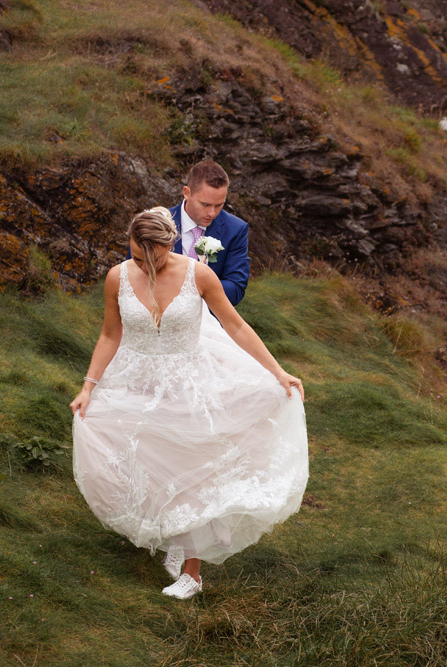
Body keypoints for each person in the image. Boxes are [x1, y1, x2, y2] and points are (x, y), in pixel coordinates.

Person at [70, 207, 308, 600]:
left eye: (156, 256)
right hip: (136, 382)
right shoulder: (117, 277)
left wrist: (278, 372)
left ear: (171, 244)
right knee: (150, 463)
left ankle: (193, 573)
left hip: (189, 383)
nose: (146, 264)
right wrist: (89, 387)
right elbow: (110, 336)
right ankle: (175, 538)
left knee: (191, 467)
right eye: (137, 254)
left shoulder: (199, 274)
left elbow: (235, 325)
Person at [131, 159, 250, 307]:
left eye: (219, 205)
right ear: (186, 193)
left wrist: (195, 286)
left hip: (209, 321)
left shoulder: (235, 230)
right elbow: (133, 275)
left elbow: (235, 289)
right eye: (205, 204)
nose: (212, 213)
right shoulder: (155, 223)